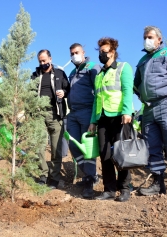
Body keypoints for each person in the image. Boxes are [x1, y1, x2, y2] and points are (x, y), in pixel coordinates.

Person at [134, 26, 167, 197]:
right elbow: (136, 83)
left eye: (150, 37)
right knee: (152, 147)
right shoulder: (142, 60)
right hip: (148, 109)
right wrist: (142, 95)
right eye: (144, 37)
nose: (146, 40)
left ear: (159, 39)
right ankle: (158, 184)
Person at [89, 37, 134, 202]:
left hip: (119, 117)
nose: (101, 54)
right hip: (102, 118)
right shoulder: (99, 75)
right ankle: (109, 189)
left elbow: (128, 91)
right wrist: (93, 121)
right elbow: (96, 100)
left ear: (113, 52)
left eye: (104, 51)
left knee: (122, 153)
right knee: (104, 153)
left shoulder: (123, 68)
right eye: (100, 51)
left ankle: (124, 188)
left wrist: (127, 112)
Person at [31, 49, 70, 189]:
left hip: (55, 113)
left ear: (50, 59)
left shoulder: (59, 73)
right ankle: (43, 174)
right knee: (39, 146)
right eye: (40, 61)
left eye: (44, 61)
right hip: (39, 114)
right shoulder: (35, 75)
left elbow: (68, 89)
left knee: (56, 147)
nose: (42, 63)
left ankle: (54, 177)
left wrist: (63, 93)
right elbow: (29, 93)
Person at [66, 43, 101, 199]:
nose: (74, 55)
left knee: (88, 149)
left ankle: (89, 183)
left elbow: (98, 91)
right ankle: (89, 175)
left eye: (77, 52)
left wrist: (94, 118)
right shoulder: (72, 72)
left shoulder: (92, 67)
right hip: (72, 113)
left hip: (87, 111)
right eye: (72, 53)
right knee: (73, 145)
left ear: (83, 52)